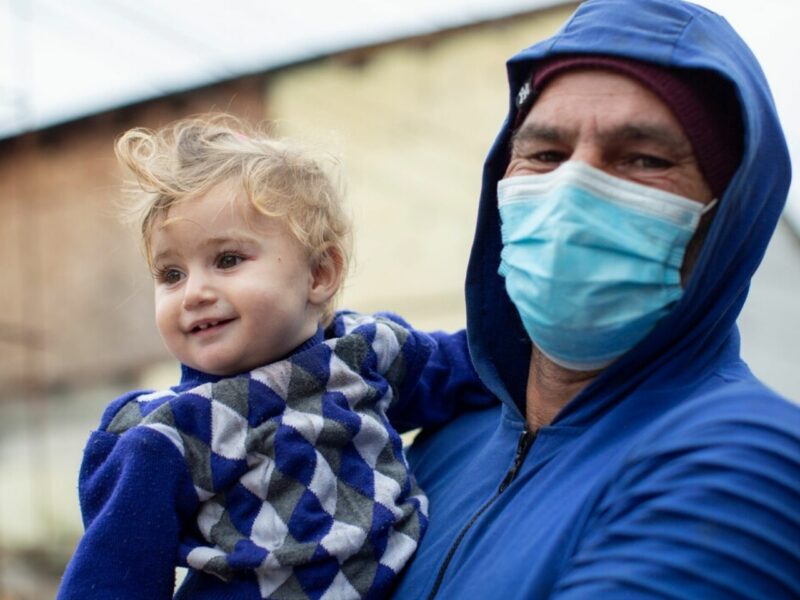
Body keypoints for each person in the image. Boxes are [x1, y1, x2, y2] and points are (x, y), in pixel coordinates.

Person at [389, 0, 800, 598]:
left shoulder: (744, 461)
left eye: (645, 160)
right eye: (546, 155)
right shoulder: (448, 437)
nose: (571, 190)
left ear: (729, 220)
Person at [57, 116, 486, 600]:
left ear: (320, 273)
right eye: (171, 273)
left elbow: (480, 364)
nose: (194, 292)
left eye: (227, 260)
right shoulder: (173, 434)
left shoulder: (365, 354)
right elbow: (112, 576)